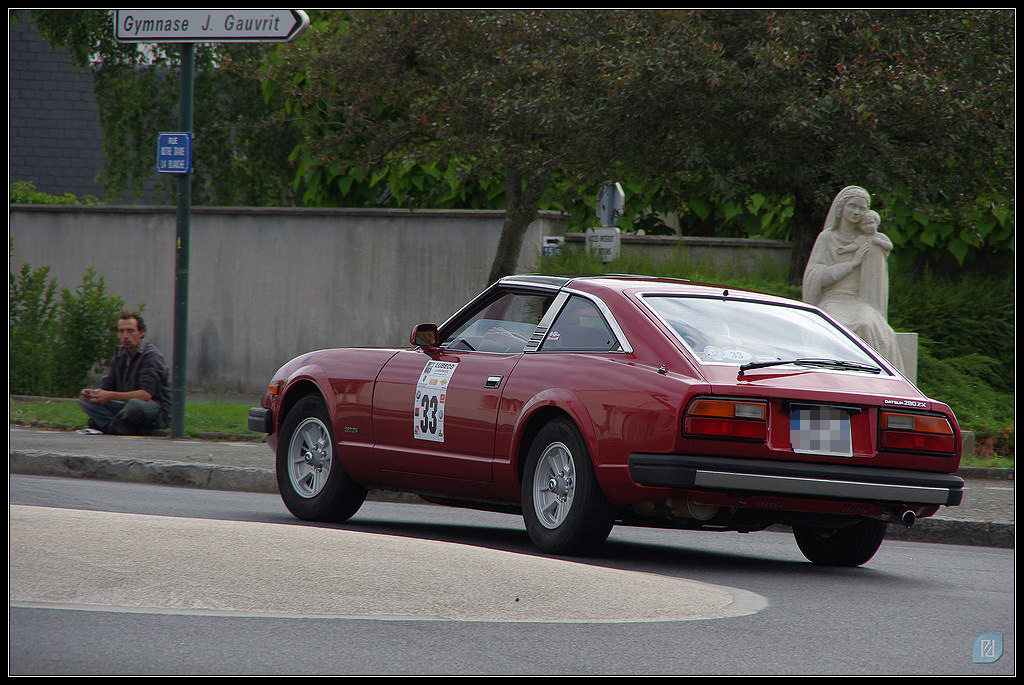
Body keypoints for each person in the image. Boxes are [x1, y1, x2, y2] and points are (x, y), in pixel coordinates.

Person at [802, 186, 906, 372]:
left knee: (867, 323)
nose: (857, 212)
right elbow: (815, 275)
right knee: (836, 324)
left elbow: (876, 280)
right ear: (841, 208)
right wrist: (851, 264)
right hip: (833, 299)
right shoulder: (827, 238)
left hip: (860, 302)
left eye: (862, 208)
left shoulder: (869, 240)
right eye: (853, 206)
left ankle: (873, 378)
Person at [78, 310, 172, 435]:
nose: (125, 336)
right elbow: (107, 387)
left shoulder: (151, 356)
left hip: (153, 410)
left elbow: (146, 395)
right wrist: (95, 394)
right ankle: (118, 427)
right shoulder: (120, 354)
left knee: (135, 405)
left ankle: (108, 425)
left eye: (130, 331)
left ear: (141, 333)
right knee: (85, 401)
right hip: (125, 408)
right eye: (121, 331)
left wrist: (110, 395)